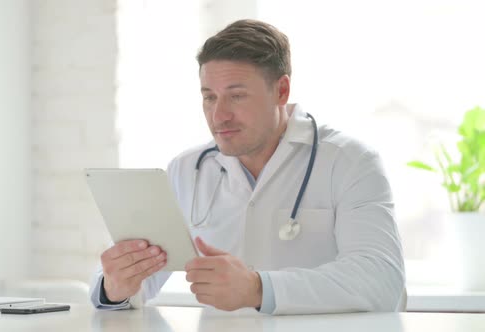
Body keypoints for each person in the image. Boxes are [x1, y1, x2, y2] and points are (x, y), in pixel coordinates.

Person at [90, 19, 405, 315]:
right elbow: (135, 285)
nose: (219, 116)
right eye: (209, 97)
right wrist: (115, 286)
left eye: (236, 96)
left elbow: (381, 281)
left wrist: (259, 289)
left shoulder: (349, 162)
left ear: (281, 91)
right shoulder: (187, 170)